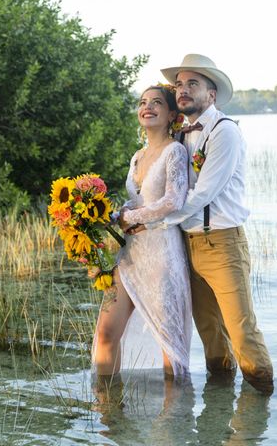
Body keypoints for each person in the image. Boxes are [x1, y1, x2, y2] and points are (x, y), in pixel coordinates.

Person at [123, 54, 274, 393]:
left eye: (193, 83)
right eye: (179, 84)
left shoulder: (225, 133)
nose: (184, 90)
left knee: (241, 329)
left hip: (221, 242)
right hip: (186, 244)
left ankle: (260, 404)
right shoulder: (180, 137)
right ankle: (219, 411)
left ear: (212, 93)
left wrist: (150, 222)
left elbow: (202, 193)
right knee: (210, 333)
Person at [92, 84, 192, 381]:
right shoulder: (137, 156)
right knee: (106, 332)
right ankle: (107, 413)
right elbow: (135, 201)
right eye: (143, 102)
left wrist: (130, 217)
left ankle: (173, 419)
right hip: (131, 255)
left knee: (167, 343)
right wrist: (106, 215)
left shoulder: (175, 151)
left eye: (157, 103)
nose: (147, 107)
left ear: (172, 114)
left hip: (161, 256)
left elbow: (174, 200)